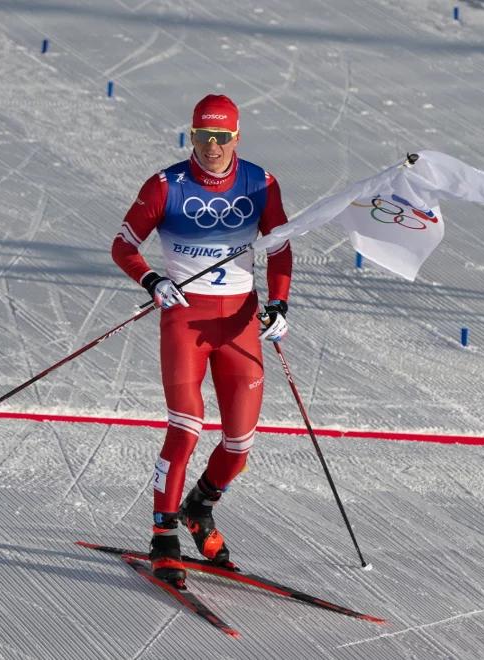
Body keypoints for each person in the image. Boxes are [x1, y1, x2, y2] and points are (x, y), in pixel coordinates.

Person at [110, 94, 292, 588]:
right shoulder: (166, 185)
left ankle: (200, 508)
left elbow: (279, 249)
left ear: (237, 136)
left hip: (239, 323)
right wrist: (152, 281)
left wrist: (278, 303)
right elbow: (124, 245)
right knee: (186, 429)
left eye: (222, 137)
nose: (212, 147)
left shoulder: (260, 183)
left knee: (239, 443)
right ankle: (163, 536)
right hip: (185, 321)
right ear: (192, 136)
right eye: (203, 137)